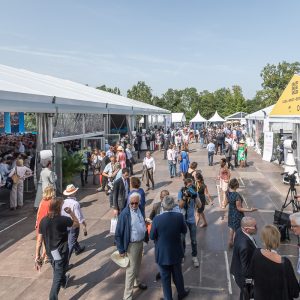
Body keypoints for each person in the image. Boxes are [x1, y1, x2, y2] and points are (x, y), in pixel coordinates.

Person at [35, 197, 79, 300]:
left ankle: (64, 281)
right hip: (61, 252)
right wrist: (71, 213)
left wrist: (37, 255)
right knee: (57, 276)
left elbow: (39, 241)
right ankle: (53, 297)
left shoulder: (43, 221)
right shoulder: (63, 220)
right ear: (59, 207)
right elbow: (76, 224)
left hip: (50, 253)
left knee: (58, 269)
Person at [150, 196, 190, 300]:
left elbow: (152, 236)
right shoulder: (179, 216)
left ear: (162, 205)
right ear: (173, 205)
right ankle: (181, 293)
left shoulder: (157, 219)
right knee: (178, 275)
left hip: (162, 253)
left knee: (165, 278)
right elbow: (184, 230)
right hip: (176, 251)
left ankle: (168, 298)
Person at [248, 225, 300, 300]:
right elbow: (294, 291)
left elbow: (251, 274)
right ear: (278, 238)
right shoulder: (285, 263)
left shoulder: (256, 254)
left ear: (263, 239)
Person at [115, 192, 147, 300]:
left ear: (139, 202)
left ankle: (136, 283)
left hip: (140, 242)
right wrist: (121, 249)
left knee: (138, 265)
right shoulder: (125, 214)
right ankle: (127, 297)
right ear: (129, 202)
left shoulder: (140, 209)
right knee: (130, 270)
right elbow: (118, 233)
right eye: (131, 203)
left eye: (136, 203)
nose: (133, 205)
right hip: (131, 246)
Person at [230, 217, 258, 300]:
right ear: (247, 229)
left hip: (236, 268)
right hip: (243, 278)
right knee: (247, 295)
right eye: (255, 226)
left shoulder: (239, 230)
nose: (257, 228)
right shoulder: (245, 246)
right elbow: (245, 270)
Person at [227, 178, 257, 248]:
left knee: (231, 227)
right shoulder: (237, 195)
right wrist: (250, 210)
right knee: (237, 230)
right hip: (237, 215)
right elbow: (239, 208)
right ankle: (236, 244)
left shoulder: (227, 192)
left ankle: (230, 241)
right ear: (236, 186)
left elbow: (226, 202)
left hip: (231, 213)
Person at [178, 178, 201, 267]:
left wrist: (195, 197)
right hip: (183, 218)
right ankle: (182, 255)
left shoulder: (194, 191)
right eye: (189, 185)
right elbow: (180, 206)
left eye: (192, 184)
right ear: (185, 185)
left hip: (191, 219)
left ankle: (194, 256)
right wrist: (185, 197)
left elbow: (199, 205)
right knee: (182, 239)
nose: (190, 186)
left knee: (194, 240)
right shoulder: (181, 191)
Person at [61, 184, 87, 261]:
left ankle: (78, 249)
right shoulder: (75, 203)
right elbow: (79, 216)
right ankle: (65, 263)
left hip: (64, 224)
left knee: (71, 238)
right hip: (73, 224)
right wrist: (84, 224)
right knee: (71, 242)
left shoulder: (63, 202)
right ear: (73, 193)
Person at [35, 186, 55, 264]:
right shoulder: (52, 202)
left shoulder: (42, 201)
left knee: (40, 240)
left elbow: (38, 212)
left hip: (40, 222)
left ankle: (37, 256)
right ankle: (46, 256)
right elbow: (52, 214)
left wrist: (37, 222)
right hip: (47, 223)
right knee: (47, 240)